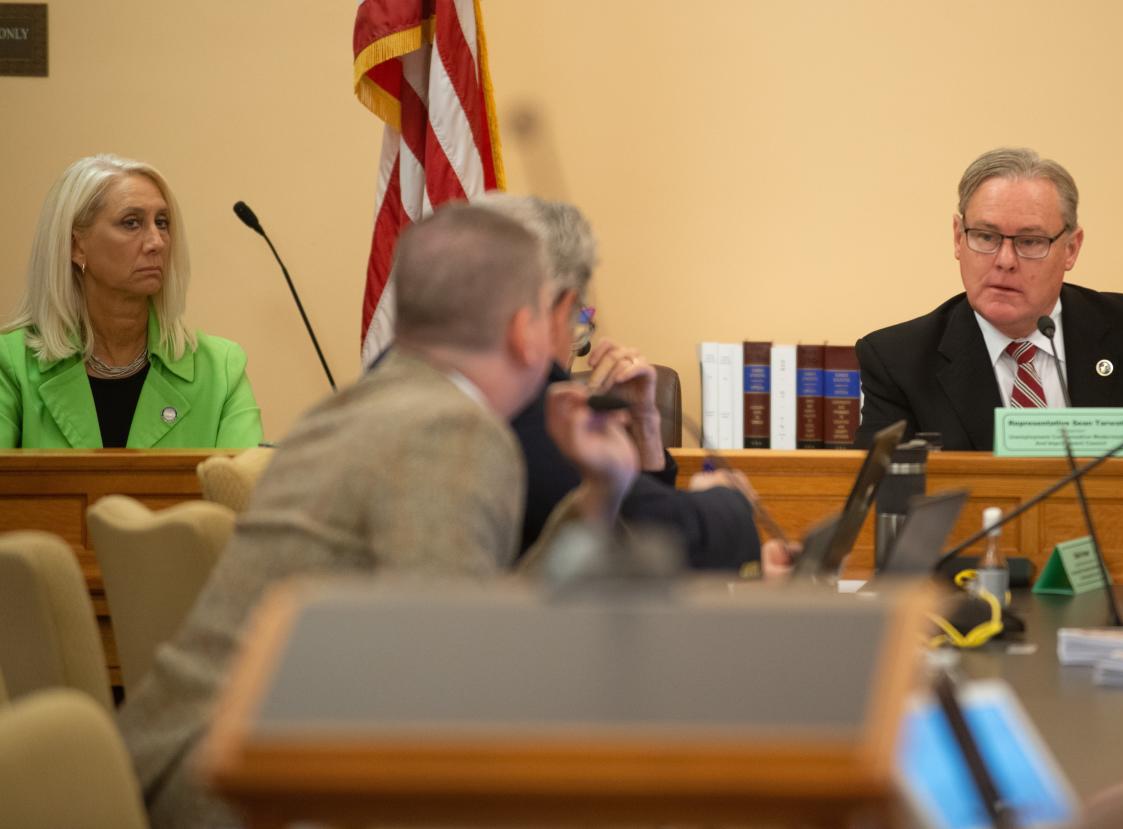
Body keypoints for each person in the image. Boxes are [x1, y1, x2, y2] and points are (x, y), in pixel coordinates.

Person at [117, 205, 639, 827]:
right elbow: (448, 689)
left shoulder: (358, 408)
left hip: (215, 764)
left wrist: (598, 496)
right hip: (246, 791)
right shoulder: (452, 427)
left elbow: (462, 627)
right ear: (527, 329)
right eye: (570, 318)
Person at [853, 146, 1123, 454]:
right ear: (957, 237)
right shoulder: (897, 362)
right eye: (985, 236)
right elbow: (882, 507)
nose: (1004, 261)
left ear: (1071, 248)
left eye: (1030, 242)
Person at [473, 192, 761, 571]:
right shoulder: (520, 401)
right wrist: (728, 499)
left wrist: (645, 426)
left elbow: (633, 504)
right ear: (560, 307)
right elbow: (654, 539)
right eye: (579, 317)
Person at [0, 154, 263, 448]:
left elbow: (246, 487)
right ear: (76, 246)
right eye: (131, 223)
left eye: (162, 223)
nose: (157, 242)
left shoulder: (221, 369)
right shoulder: (11, 364)